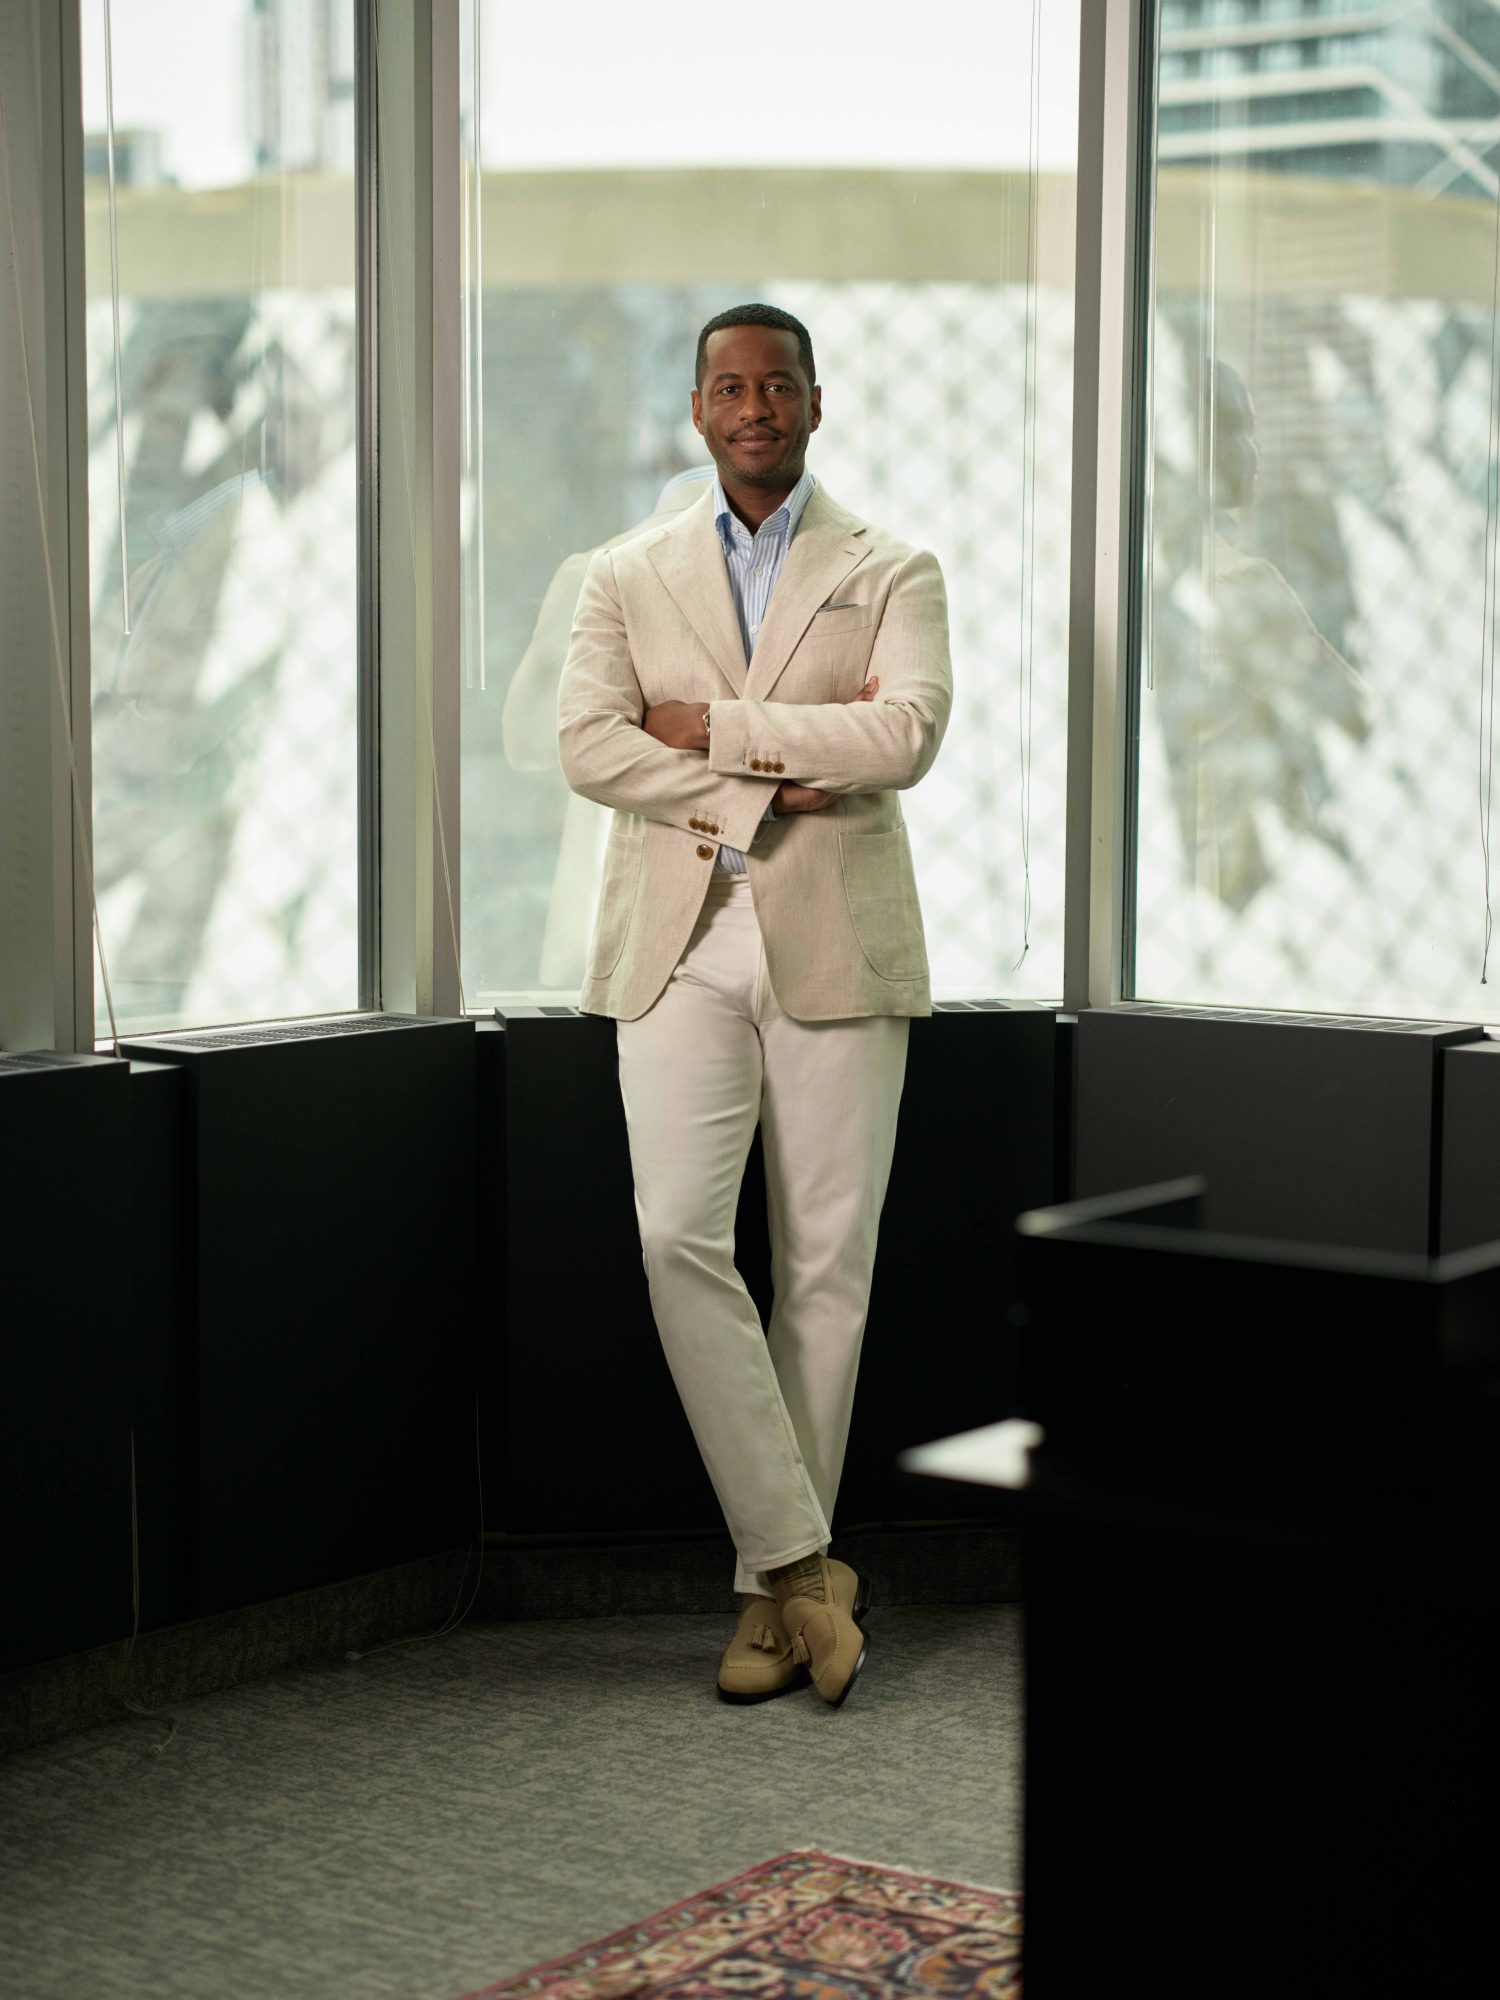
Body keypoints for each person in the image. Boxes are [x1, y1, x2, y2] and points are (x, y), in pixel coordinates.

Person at [558, 304, 952, 1707]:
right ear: (699, 407)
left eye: (776, 383)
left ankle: (760, 1607)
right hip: (679, 942)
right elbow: (588, 743)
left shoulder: (893, 565)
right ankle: (801, 1564)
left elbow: (904, 732)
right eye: (730, 385)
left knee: (826, 1275)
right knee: (678, 1238)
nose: (754, 405)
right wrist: (775, 777)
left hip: (837, 941)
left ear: (814, 403)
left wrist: (715, 733)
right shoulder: (625, 571)